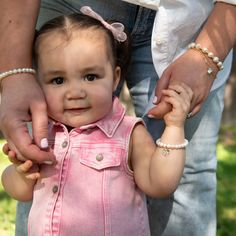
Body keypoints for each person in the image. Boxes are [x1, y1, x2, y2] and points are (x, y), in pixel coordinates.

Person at [0, 1, 236, 236]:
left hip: (185, 12)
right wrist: (21, 173)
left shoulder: (129, 133)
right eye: (58, 81)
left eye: (90, 77)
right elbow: (20, 190)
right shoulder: (44, 135)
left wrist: (174, 128)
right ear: (39, 83)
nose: (75, 92)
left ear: (114, 78)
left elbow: (160, 183)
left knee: (189, 182)